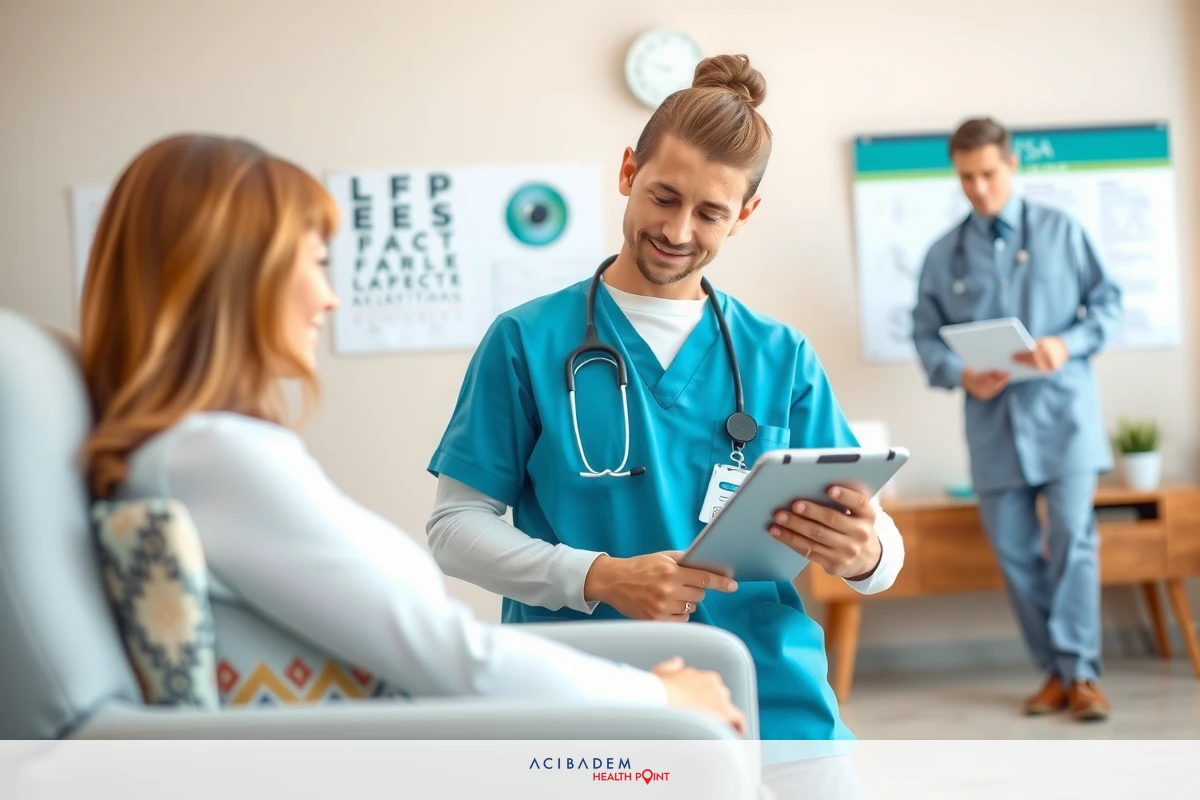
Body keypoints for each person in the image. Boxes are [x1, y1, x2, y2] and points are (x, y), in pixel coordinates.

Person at [77, 133, 746, 733]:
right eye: (313, 263)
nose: (329, 296)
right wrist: (657, 700)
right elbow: (449, 653)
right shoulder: (217, 459)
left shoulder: (186, 455)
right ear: (235, 279)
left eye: (711, 211)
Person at [425, 53, 904, 758]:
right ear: (627, 173)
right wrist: (601, 577)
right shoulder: (526, 341)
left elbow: (871, 535)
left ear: (745, 215)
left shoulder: (780, 355)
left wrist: (868, 553)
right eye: (663, 197)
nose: (678, 231)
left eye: (710, 212)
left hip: (769, 699)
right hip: (584, 698)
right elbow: (454, 527)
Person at [910, 117, 1123, 721]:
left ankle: (1082, 674)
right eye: (966, 177)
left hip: (1066, 421)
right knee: (1014, 552)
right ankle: (1055, 672)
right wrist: (959, 374)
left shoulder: (1061, 231)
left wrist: (1068, 344)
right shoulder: (941, 254)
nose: (978, 188)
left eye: (988, 174)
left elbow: (1108, 305)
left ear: (1012, 166)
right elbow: (925, 338)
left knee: (1074, 544)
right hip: (993, 426)